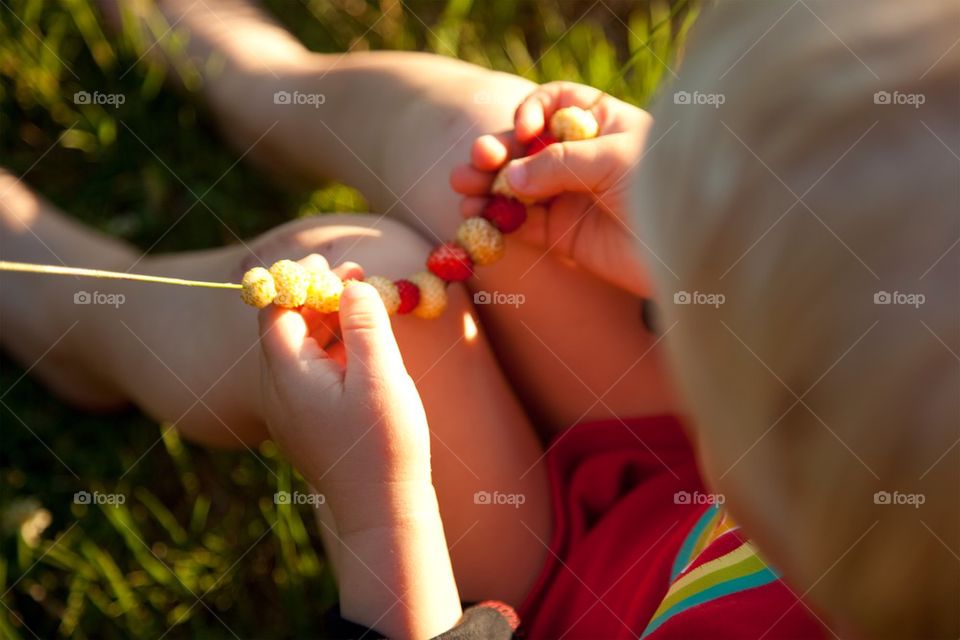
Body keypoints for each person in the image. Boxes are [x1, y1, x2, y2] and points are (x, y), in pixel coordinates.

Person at [1, 0, 956, 637]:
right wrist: (688, 246)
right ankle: (262, 79)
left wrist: (379, 517)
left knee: (346, 281)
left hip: (534, 590)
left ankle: (71, 305)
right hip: (667, 469)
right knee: (489, 145)